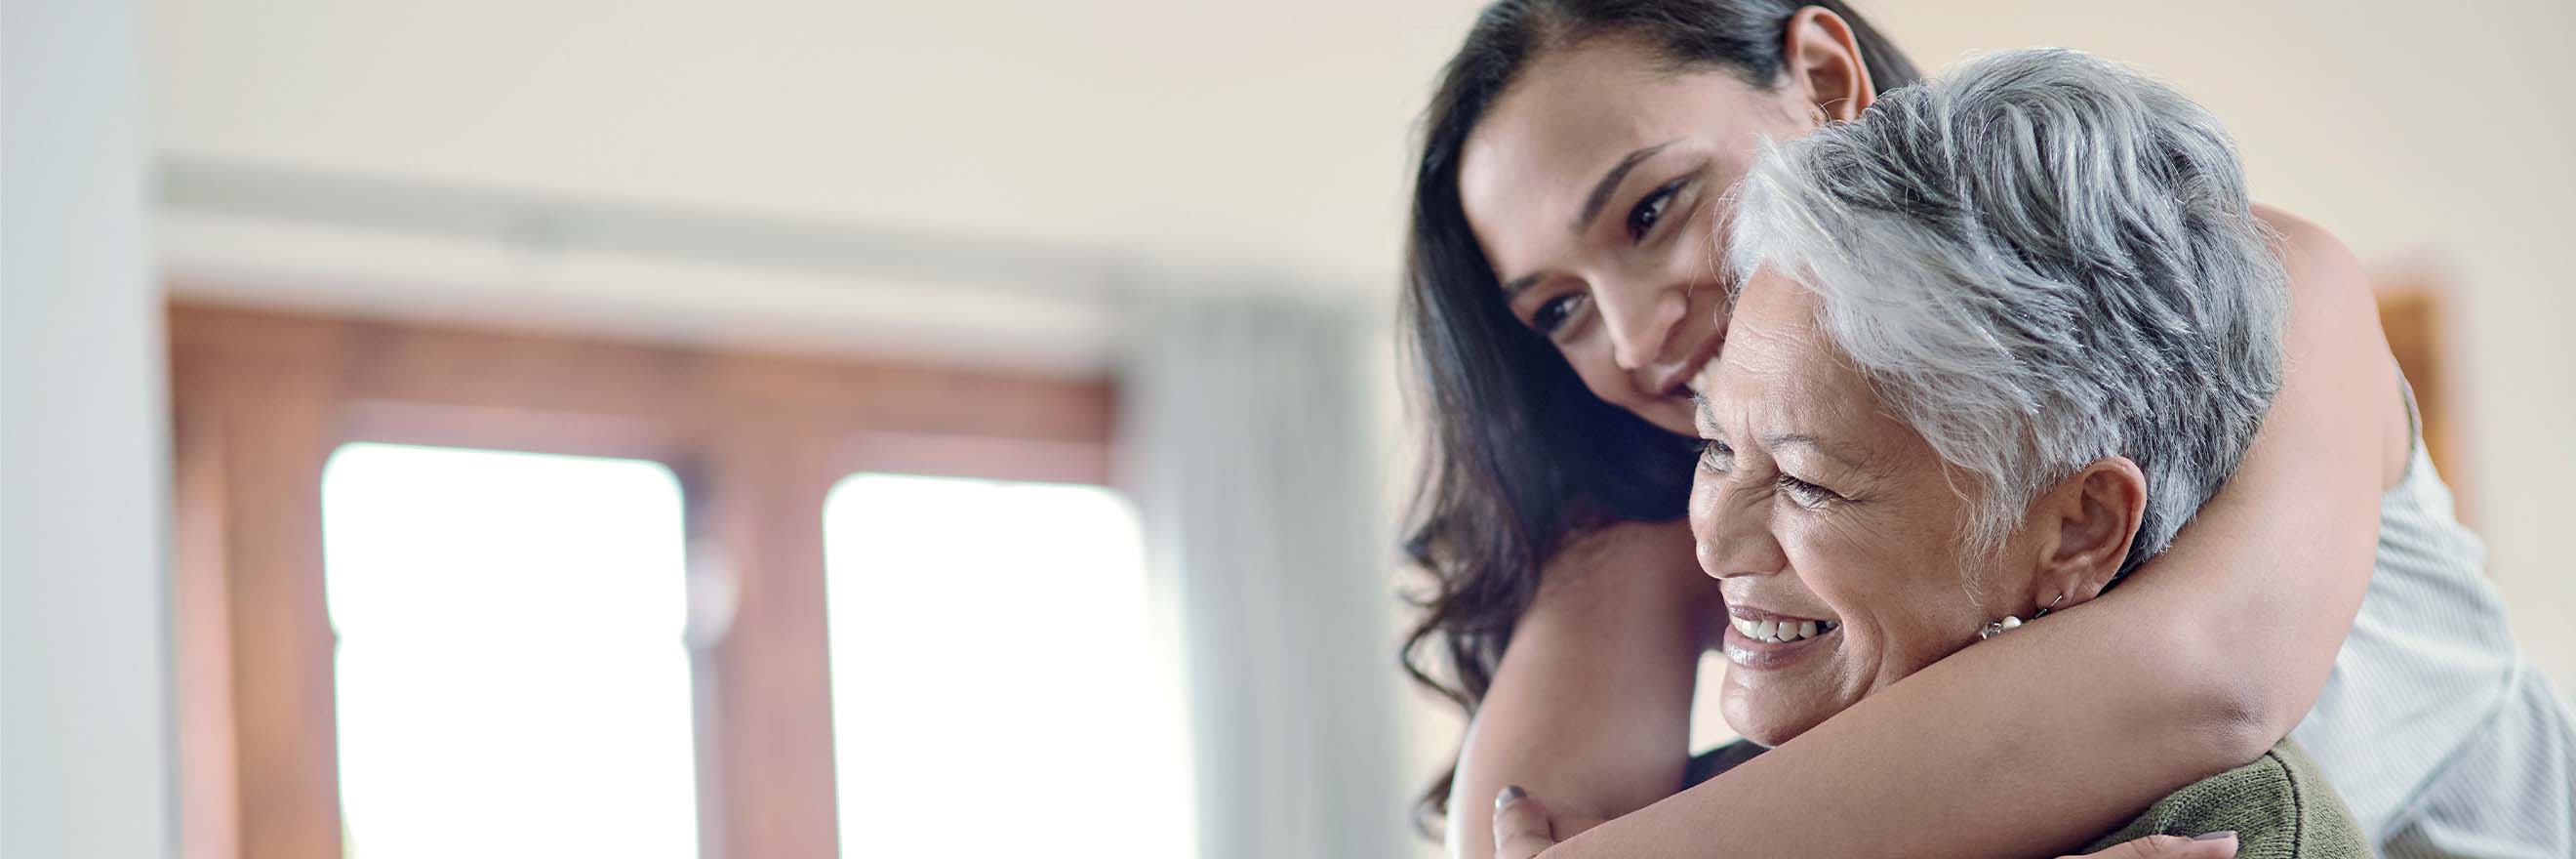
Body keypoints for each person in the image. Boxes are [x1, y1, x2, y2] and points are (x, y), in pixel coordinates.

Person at [1397, 2, 2575, 857]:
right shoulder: (1710, 494)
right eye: (1558, 309)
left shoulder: (2263, 289)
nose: (1637, 334)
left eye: (1653, 209)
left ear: (1819, 76)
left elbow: (2206, 680)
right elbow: (1526, 823)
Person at [1503, 45, 2371, 859]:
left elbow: (2213, 674)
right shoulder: (1698, 807)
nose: (1713, 545)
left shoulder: (2231, 829)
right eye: (1718, 446)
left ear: (2078, 531)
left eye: (1809, 483)